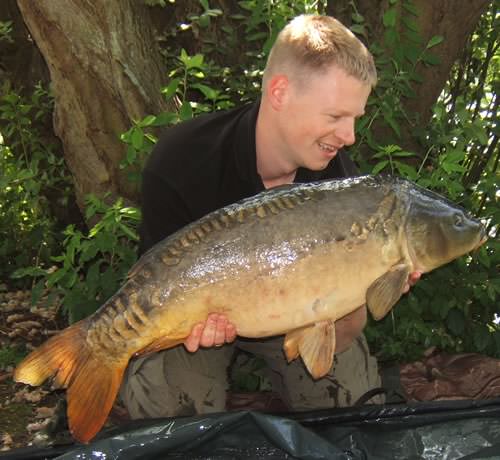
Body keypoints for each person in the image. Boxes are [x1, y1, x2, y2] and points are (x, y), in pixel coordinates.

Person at [119, 14, 421, 419]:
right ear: (280, 92)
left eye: (355, 119)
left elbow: (347, 330)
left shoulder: (340, 183)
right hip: (197, 321)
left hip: (297, 317)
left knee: (350, 410)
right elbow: (151, 289)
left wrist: (374, 284)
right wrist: (187, 326)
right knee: (171, 407)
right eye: (335, 117)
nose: (349, 136)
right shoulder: (183, 159)